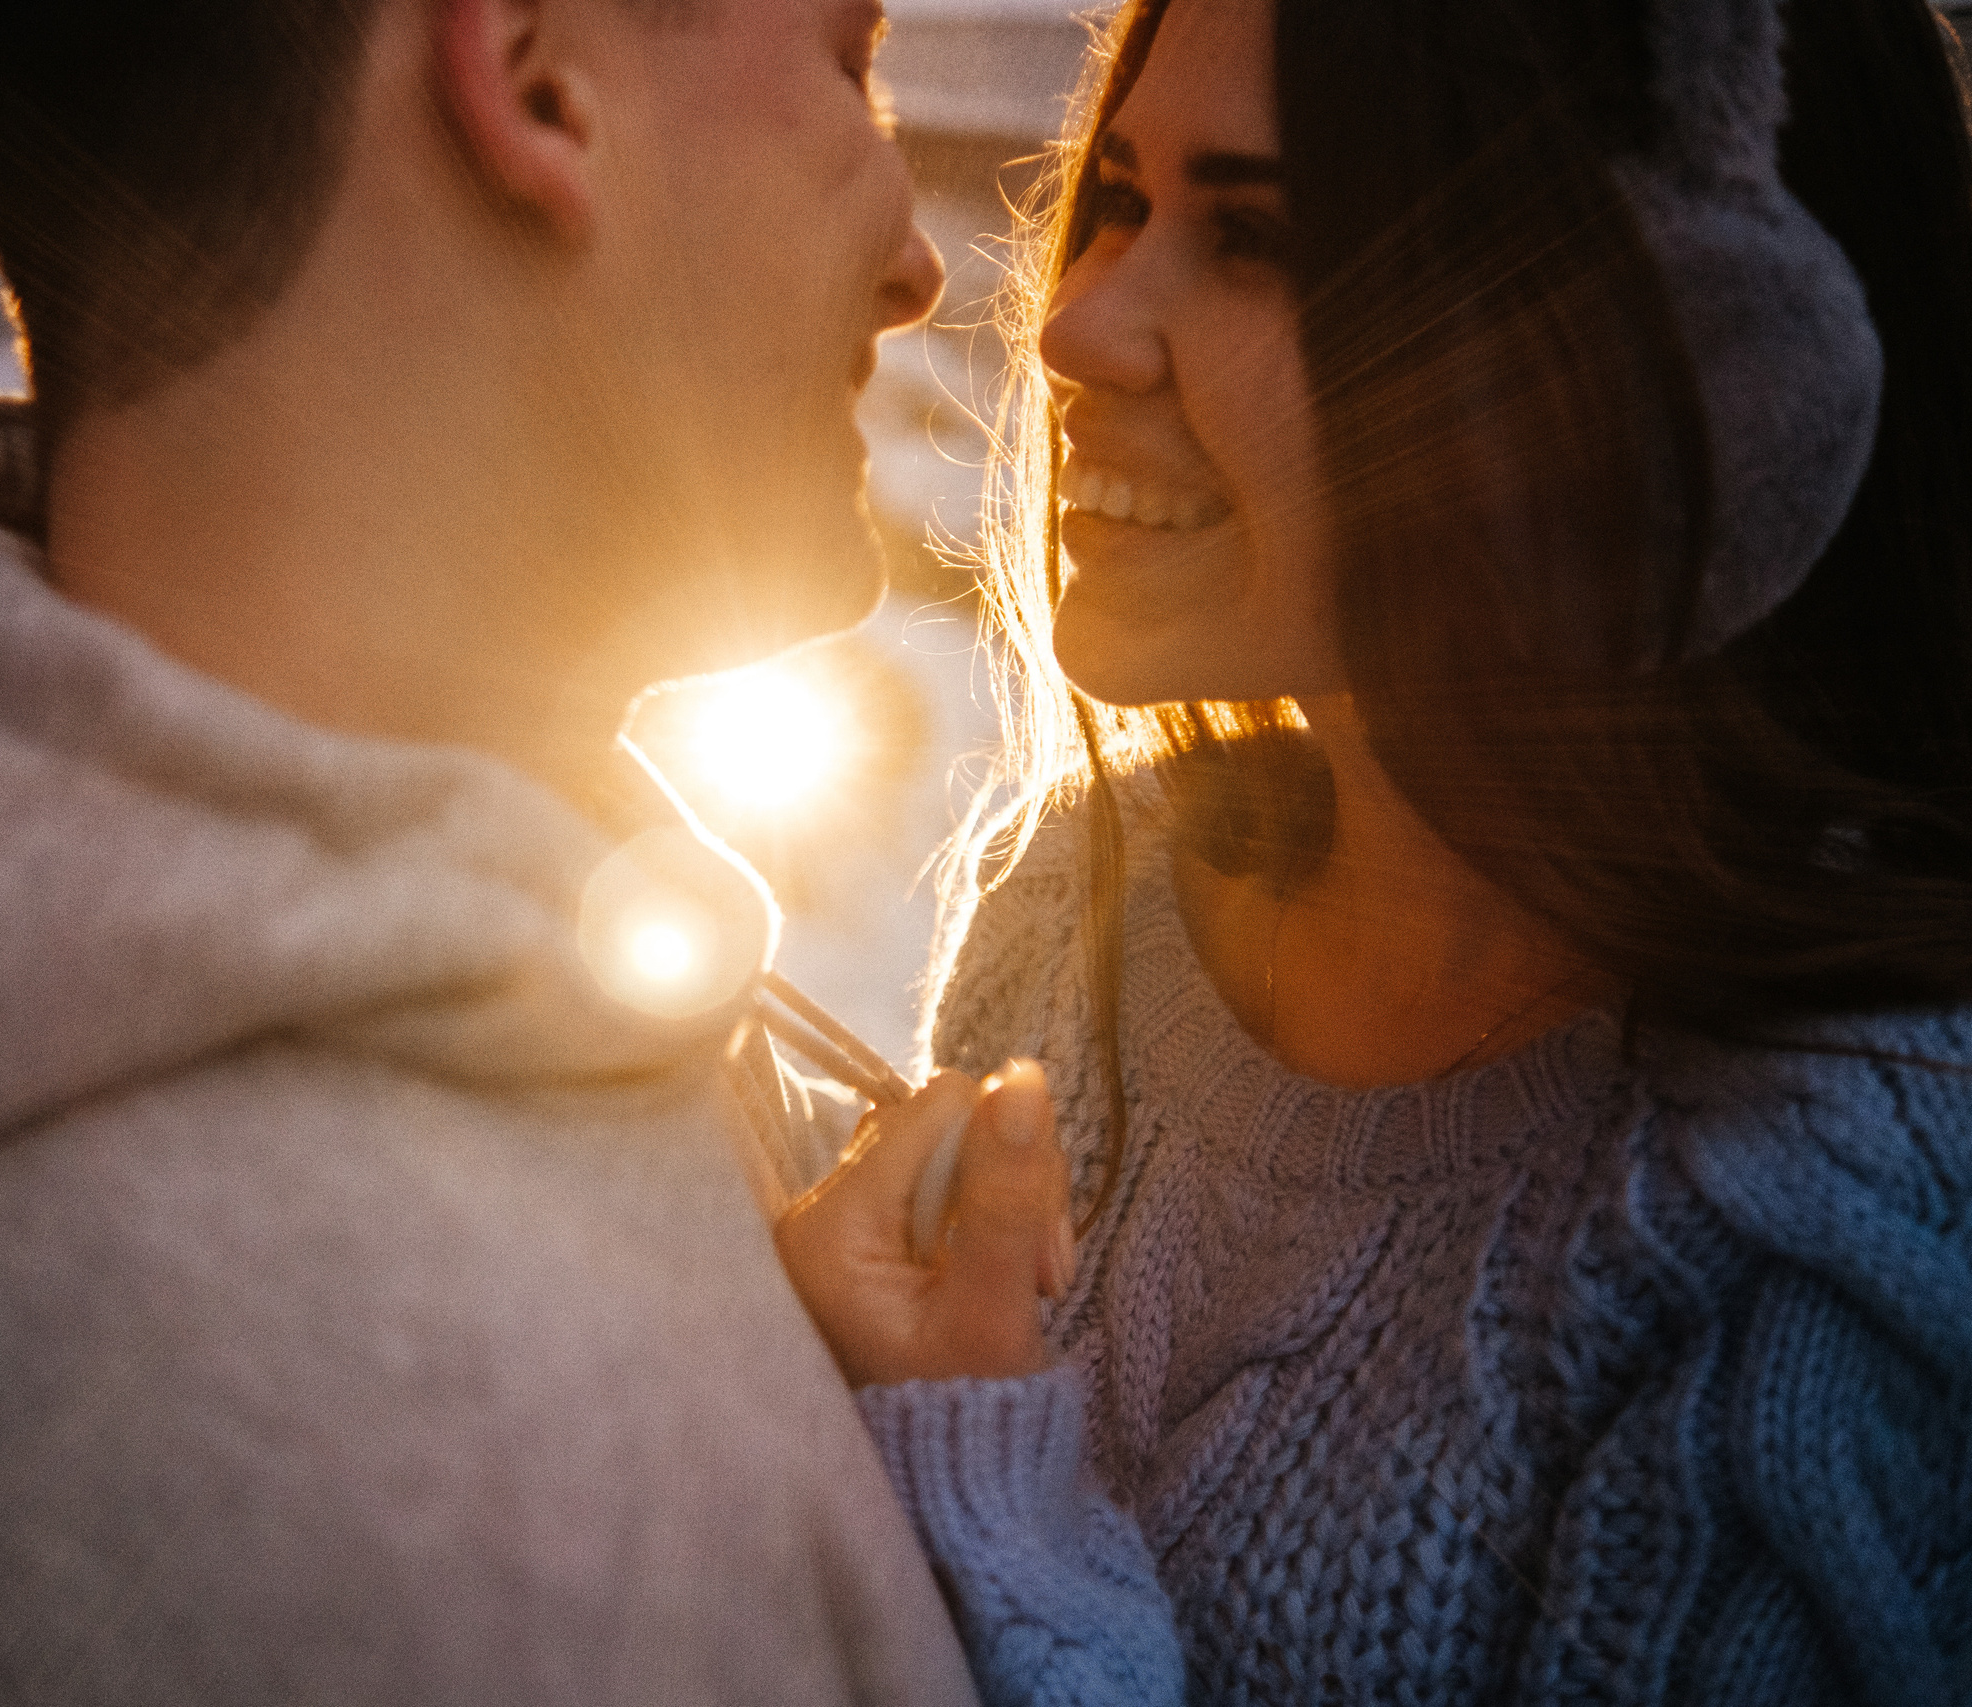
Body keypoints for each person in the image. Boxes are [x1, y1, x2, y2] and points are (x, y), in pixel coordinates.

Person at [0, 0, 982, 1699]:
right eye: (846, 60)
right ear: (536, 77)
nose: (921, 264)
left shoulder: (320, 1058)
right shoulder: (441, 1468)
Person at [774, 0, 1972, 1701]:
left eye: (1258, 236)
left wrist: (981, 1486)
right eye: (1115, 198)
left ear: (1645, 362)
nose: (1081, 325)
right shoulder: (1081, 908)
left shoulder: (1830, 1236)